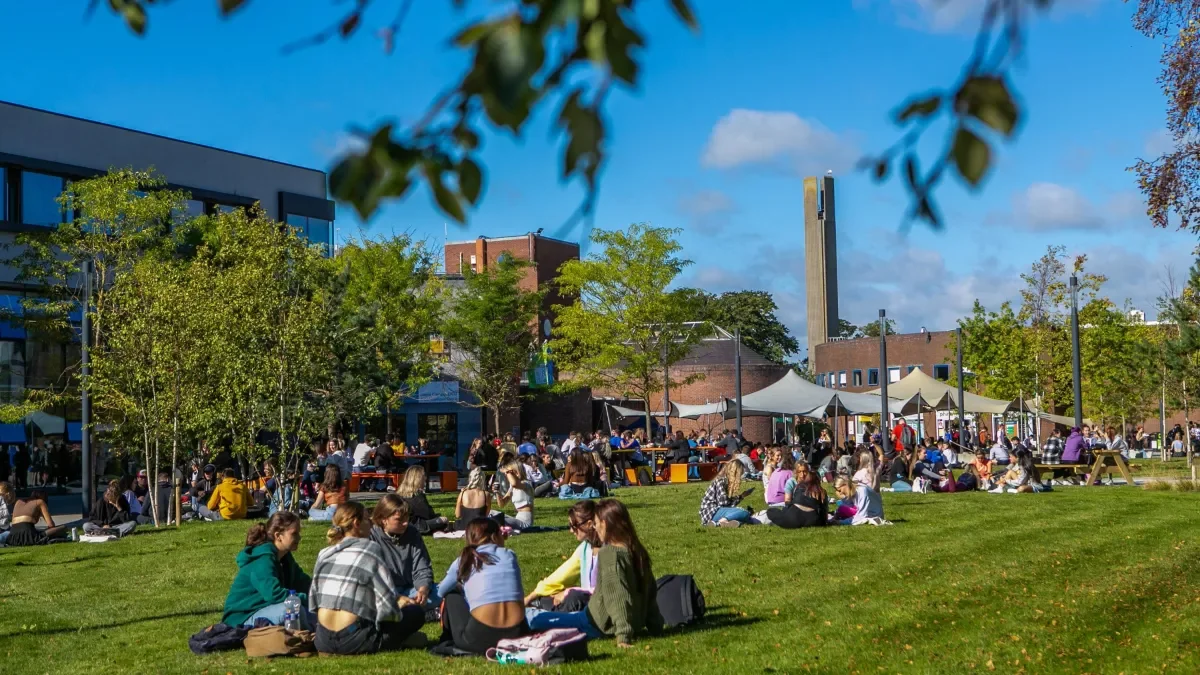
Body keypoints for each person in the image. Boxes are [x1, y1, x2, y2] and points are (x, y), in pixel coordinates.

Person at [526, 499, 662, 646]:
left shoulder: (610, 554)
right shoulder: (636, 550)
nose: (595, 528)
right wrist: (656, 627)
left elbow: (616, 596)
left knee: (532, 618)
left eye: (596, 523)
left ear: (605, 524)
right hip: (613, 621)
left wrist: (623, 636)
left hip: (597, 624)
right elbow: (649, 592)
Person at [310, 502, 427, 655]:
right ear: (356, 523)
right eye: (367, 519)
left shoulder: (324, 553)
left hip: (323, 639)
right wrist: (399, 605)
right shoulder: (370, 549)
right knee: (416, 613)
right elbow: (387, 609)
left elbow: (313, 602)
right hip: (354, 639)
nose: (371, 524)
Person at [436, 518, 529, 653]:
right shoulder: (510, 555)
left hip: (479, 640)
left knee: (451, 594)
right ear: (495, 536)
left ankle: (446, 637)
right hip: (518, 634)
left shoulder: (463, 560)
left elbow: (441, 591)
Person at [222, 511, 314, 629]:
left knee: (317, 613)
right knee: (293, 610)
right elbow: (274, 594)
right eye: (294, 533)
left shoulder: (285, 558)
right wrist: (309, 600)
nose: (299, 537)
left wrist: (322, 594)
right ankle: (309, 639)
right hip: (242, 618)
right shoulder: (262, 560)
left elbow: (303, 582)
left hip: (266, 609)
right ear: (278, 535)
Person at [524, 501, 600, 611]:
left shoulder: (610, 550)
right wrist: (530, 597)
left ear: (589, 524)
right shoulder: (585, 548)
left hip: (598, 606)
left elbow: (605, 591)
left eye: (574, 526)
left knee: (574, 597)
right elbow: (561, 575)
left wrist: (568, 592)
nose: (571, 531)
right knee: (548, 597)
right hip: (585, 601)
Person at [369, 494, 438, 614]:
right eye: (399, 520)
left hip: (411, 591)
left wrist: (423, 589)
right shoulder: (370, 537)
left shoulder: (412, 533)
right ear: (384, 519)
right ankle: (420, 612)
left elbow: (422, 567)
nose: (405, 523)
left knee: (445, 590)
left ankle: (413, 609)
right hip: (385, 594)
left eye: (407, 518)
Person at [766, 463, 828, 528]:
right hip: (813, 520)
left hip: (794, 518)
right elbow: (824, 512)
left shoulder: (799, 486)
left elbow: (788, 502)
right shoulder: (822, 492)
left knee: (771, 511)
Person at [698, 459, 754, 527]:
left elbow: (725, 504)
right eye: (740, 474)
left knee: (746, 519)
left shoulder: (725, 482)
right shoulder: (721, 481)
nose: (740, 478)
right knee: (744, 513)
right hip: (711, 512)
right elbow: (723, 503)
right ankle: (721, 521)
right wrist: (737, 507)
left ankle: (720, 524)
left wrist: (742, 496)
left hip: (716, 512)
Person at [396, 465, 450, 535]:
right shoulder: (415, 498)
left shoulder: (401, 496)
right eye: (423, 476)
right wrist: (438, 520)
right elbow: (421, 520)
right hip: (417, 526)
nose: (425, 478)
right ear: (417, 479)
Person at [494, 457, 534, 529]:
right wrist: (497, 492)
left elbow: (514, 483)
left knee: (497, 517)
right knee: (492, 513)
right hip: (518, 518)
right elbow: (501, 504)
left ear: (517, 473)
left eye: (510, 472)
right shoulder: (512, 488)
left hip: (525, 521)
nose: (507, 475)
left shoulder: (526, 484)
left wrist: (506, 471)